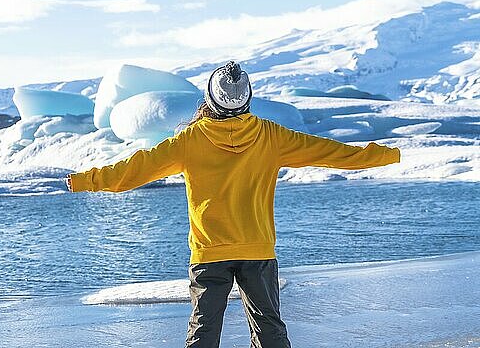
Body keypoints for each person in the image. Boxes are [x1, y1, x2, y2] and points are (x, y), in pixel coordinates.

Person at [66, 61, 401, 348]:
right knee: (269, 330)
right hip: (257, 250)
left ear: (210, 99)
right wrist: (387, 154)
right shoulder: (271, 136)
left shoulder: (190, 140)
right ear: (247, 100)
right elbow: (334, 153)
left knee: (204, 333)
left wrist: (84, 180)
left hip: (210, 252)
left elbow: (132, 171)